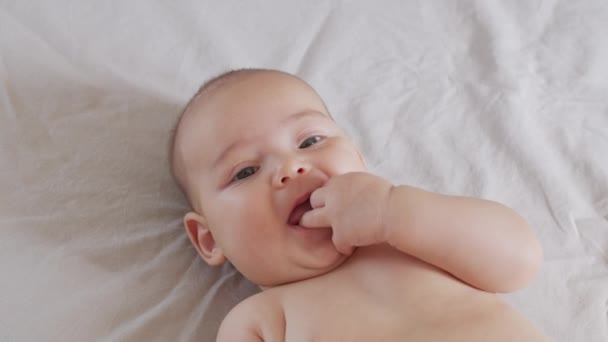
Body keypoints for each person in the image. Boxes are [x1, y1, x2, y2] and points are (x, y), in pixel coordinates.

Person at [169, 68, 546, 341]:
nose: (291, 167)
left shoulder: (417, 238)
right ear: (208, 238)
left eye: (310, 141)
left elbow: (520, 261)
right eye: (246, 171)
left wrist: (394, 209)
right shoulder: (260, 320)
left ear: (359, 160)